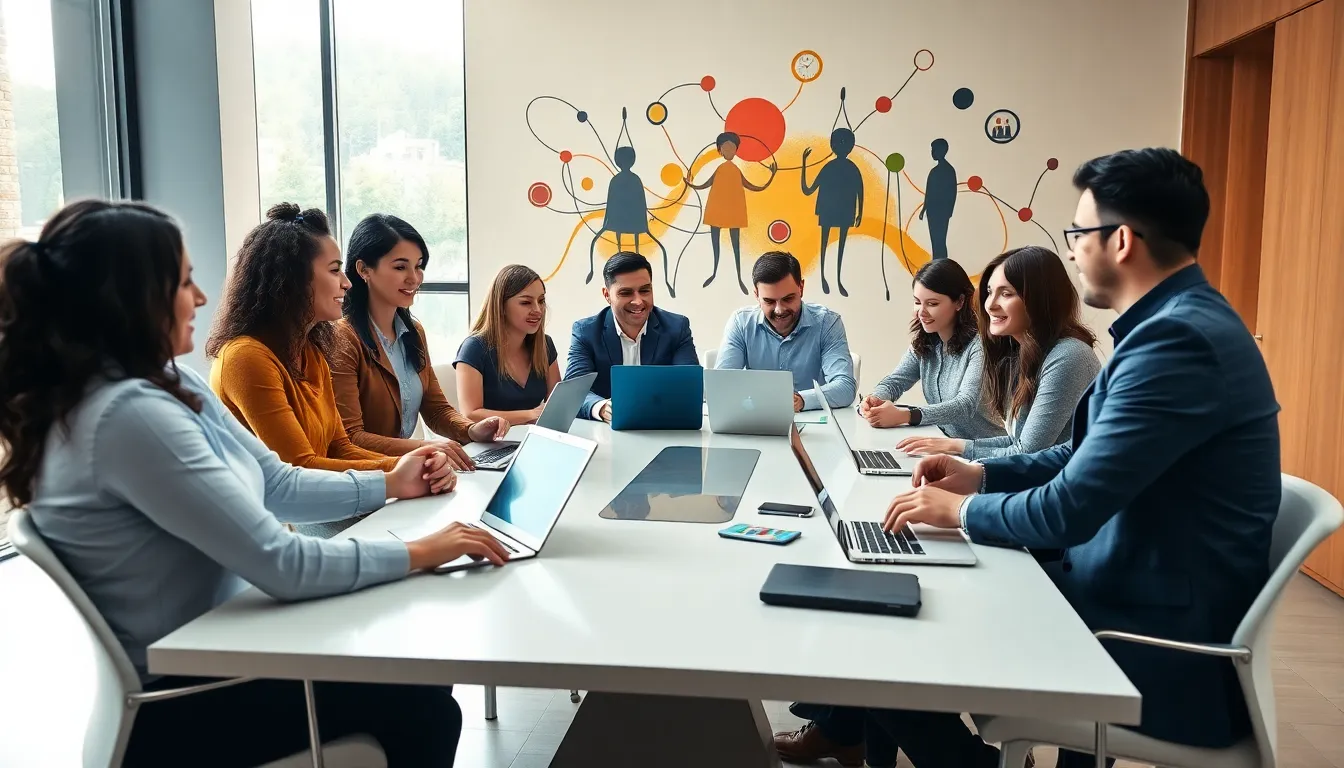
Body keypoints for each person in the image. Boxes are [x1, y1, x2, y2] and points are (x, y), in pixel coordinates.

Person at [0, 199, 510, 767]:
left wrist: (392, 485)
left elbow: (278, 481)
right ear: (130, 295)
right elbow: (282, 564)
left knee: (420, 678)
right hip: (188, 698)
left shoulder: (165, 382)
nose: (199, 297)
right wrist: (422, 551)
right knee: (427, 707)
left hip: (230, 646)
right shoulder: (127, 415)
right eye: (185, 280)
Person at [870, 148, 1281, 767]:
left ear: (1119, 241)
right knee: (909, 606)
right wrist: (980, 473)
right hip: (1125, 591)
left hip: (1149, 641)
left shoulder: (1177, 342)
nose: (1071, 252)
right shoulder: (1170, 326)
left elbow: (1070, 510)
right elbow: (1077, 455)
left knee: (884, 647)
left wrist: (960, 510)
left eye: (1077, 235)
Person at [207, 204, 459, 473]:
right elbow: (299, 470)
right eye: (333, 270)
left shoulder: (312, 352)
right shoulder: (245, 357)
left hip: (322, 499)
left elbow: (340, 447)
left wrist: (411, 466)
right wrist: (406, 470)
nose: (346, 282)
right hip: (280, 512)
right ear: (291, 279)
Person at [329, 213, 509, 458]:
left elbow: (435, 410)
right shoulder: (343, 338)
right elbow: (350, 437)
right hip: (368, 476)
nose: (414, 278)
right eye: (400, 267)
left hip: (406, 470)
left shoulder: (414, 332)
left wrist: (473, 430)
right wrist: (424, 447)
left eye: (419, 265)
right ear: (363, 270)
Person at [895, 245, 1100, 459]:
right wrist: (952, 446)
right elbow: (1018, 441)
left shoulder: (1069, 356)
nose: (990, 305)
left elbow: (1026, 453)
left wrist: (957, 452)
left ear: (1041, 299)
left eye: (1006, 293)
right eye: (990, 292)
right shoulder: (1023, 353)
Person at [858, 258, 1001, 439]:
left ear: (960, 302)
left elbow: (965, 405)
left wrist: (906, 416)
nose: (921, 312)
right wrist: (875, 399)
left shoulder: (979, 345)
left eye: (932, 304)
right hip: (945, 447)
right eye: (917, 302)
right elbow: (895, 382)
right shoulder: (925, 342)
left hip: (986, 454)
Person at [565, 251, 697, 423]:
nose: (638, 301)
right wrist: (602, 408)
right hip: (605, 433)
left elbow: (689, 387)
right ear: (607, 295)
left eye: (645, 291)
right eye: (626, 293)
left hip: (662, 427)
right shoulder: (586, 332)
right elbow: (574, 391)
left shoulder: (677, 327)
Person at [715, 251, 855, 412]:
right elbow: (721, 386)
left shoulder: (827, 323)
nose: (779, 310)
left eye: (788, 299)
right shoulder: (741, 322)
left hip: (814, 424)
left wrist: (801, 400)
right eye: (769, 301)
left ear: (801, 288)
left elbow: (845, 387)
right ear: (756, 295)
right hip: (755, 419)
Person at [454, 264, 561, 426]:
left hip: (531, 439)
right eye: (526, 303)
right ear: (501, 306)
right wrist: (530, 415)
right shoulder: (474, 348)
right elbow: (470, 414)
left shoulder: (545, 345)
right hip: (489, 444)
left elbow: (556, 405)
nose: (538, 310)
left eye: (541, 301)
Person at [685, 131, 778, 294]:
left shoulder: (735, 170)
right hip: (716, 210)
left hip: (734, 211)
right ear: (720, 150)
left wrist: (771, 176)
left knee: (736, 245)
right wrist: (690, 183)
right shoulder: (721, 169)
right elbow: (704, 184)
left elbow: (754, 186)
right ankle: (714, 272)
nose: (730, 152)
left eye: (733, 148)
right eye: (726, 148)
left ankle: (739, 277)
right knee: (715, 243)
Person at [801, 127, 864, 296]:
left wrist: (860, 213)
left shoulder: (851, 168)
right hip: (830, 210)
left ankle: (837, 278)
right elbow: (808, 189)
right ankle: (823, 276)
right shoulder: (832, 167)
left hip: (844, 211)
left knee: (837, 244)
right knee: (825, 244)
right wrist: (804, 164)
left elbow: (860, 191)